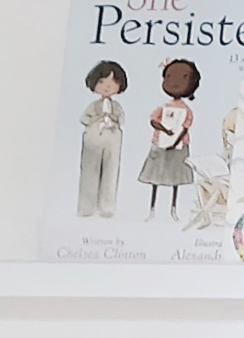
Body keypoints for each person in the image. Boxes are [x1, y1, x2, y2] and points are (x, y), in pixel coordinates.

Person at [139, 58, 201, 218]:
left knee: (175, 180)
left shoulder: (187, 110)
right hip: (160, 145)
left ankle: (173, 210)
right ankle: (152, 209)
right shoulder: (163, 107)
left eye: (183, 78)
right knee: (155, 178)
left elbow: (184, 128)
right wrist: (165, 130)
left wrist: (175, 142)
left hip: (178, 148)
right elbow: (153, 120)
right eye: (170, 76)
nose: (175, 82)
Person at [74, 60, 127, 217]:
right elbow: (84, 119)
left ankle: (107, 207)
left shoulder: (116, 106)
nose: (108, 86)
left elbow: (121, 119)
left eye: (114, 81)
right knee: (90, 170)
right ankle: (86, 207)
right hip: (94, 136)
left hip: (112, 137)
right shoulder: (93, 106)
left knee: (111, 171)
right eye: (102, 81)